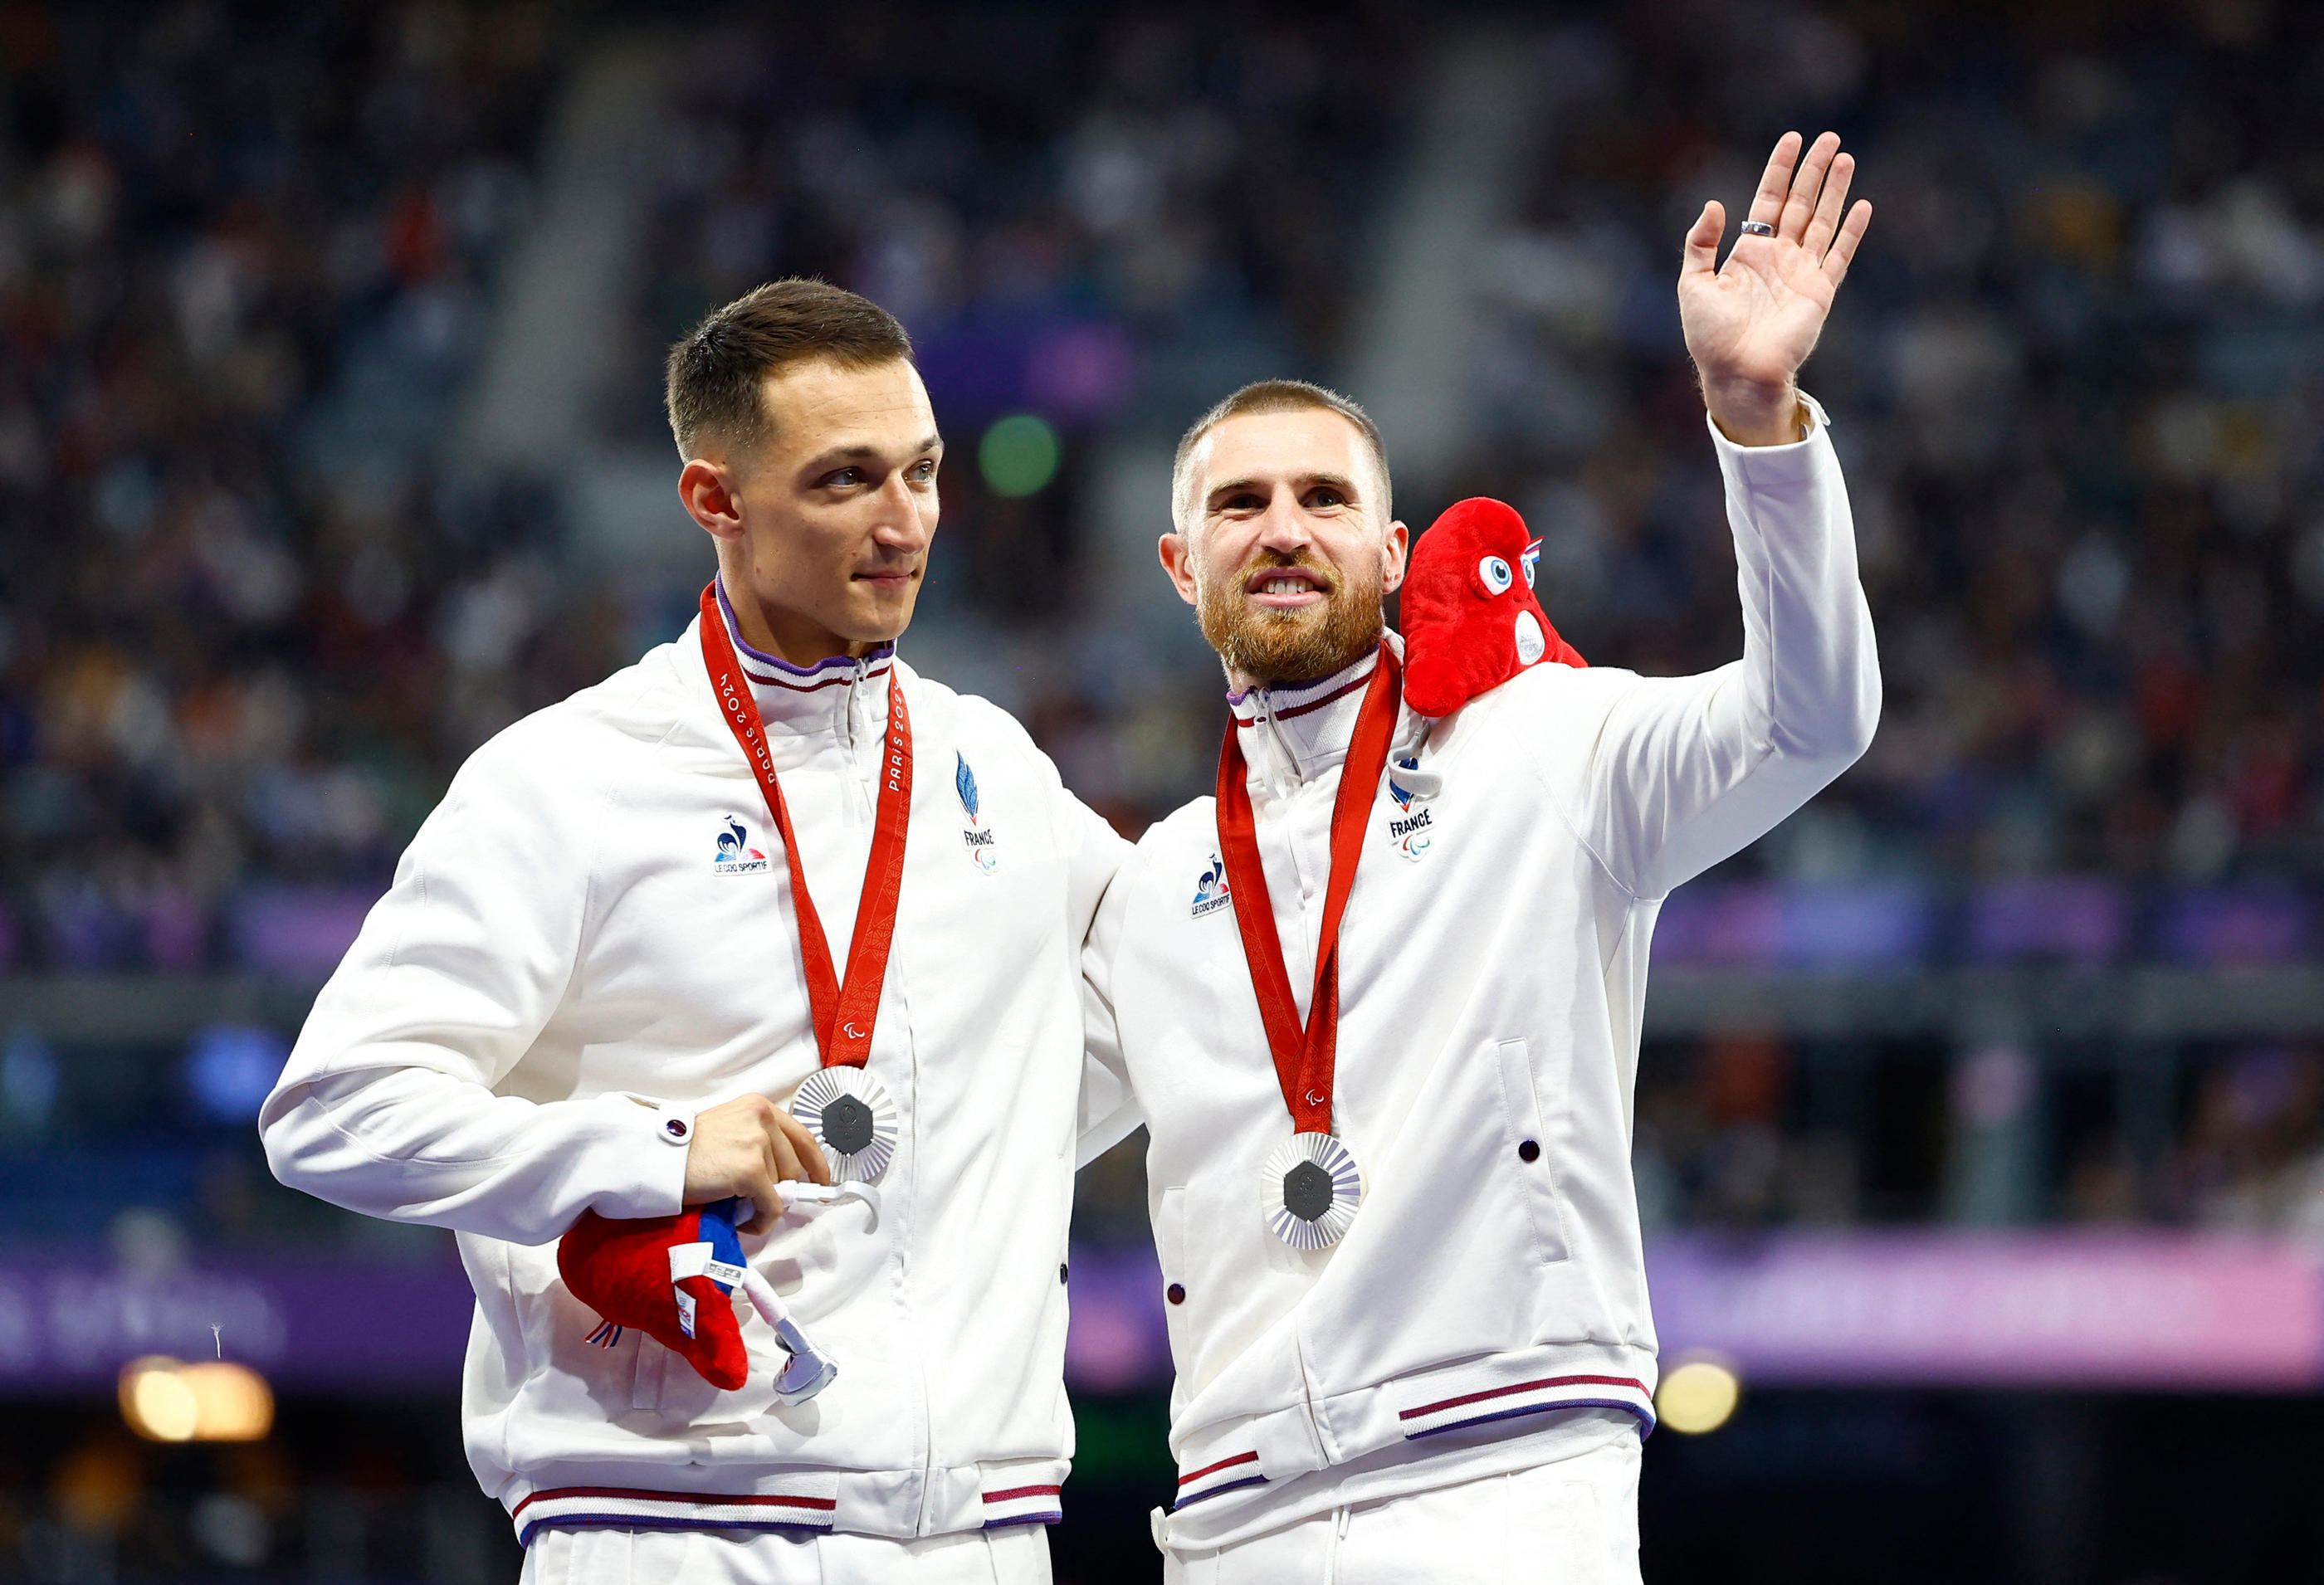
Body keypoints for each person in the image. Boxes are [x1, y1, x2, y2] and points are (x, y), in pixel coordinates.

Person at [1077, 132, 1880, 1581]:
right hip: (1228, 1515)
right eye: (1239, 504)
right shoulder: (1156, 882)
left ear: (1392, 551)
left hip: (1508, 1485)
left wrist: (1757, 422)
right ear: (1176, 564)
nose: (1283, 531)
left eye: (1324, 499)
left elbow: (1811, 719)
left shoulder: (1546, 746)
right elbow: (983, 1129)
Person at [261, 280, 1125, 1584]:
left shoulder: (992, 766)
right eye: (846, 481)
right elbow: (330, 1108)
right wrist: (644, 1152)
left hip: (980, 1532)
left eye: (925, 472)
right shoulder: (569, 777)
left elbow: (1190, 986)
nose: (905, 526)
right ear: (713, 500)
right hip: (674, 1526)